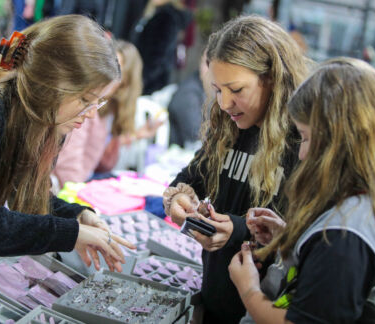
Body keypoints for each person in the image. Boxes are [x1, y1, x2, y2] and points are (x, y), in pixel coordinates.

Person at [0, 15, 135, 272]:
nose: (91, 113)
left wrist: (75, 215)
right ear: (52, 86)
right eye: (85, 100)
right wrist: (68, 234)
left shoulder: (43, 116)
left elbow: (23, 188)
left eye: (97, 102)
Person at [162, 16, 309, 323]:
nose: (225, 102)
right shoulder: (227, 127)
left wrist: (238, 230)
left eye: (237, 89)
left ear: (272, 78)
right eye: (217, 90)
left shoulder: (302, 141)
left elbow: (299, 230)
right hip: (215, 294)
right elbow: (190, 178)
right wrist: (179, 201)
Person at [229, 57, 375, 323]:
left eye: (306, 137)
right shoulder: (369, 204)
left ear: (338, 142)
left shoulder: (343, 239)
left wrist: (248, 288)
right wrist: (291, 240)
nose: (303, 153)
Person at [52, 40, 161, 186]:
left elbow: (101, 163)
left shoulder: (107, 110)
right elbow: (69, 168)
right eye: (106, 65)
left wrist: (134, 136)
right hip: (67, 187)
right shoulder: (86, 108)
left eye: (116, 69)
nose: (107, 74)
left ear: (126, 82)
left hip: (82, 182)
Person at [131, 0, 192, 95]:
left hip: (149, 84)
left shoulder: (166, 17)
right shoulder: (155, 12)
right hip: (146, 78)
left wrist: (141, 81)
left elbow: (159, 56)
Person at [167, 50, 210, 148]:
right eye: (205, 63)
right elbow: (196, 135)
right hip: (182, 154)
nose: (207, 70)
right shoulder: (188, 94)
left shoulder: (212, 90)